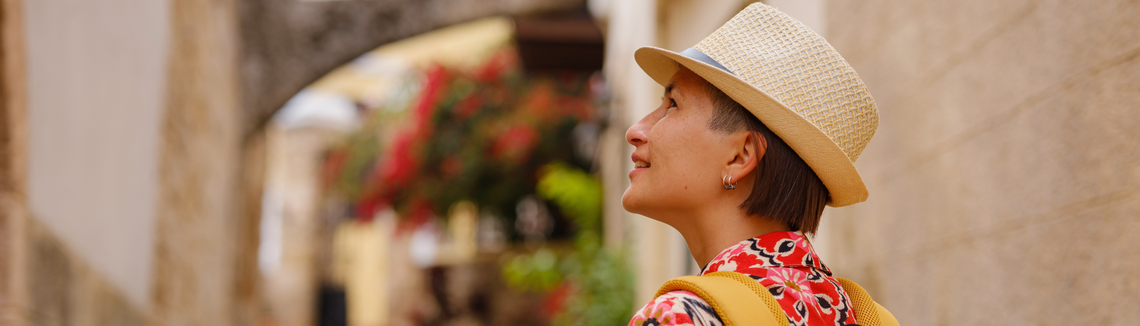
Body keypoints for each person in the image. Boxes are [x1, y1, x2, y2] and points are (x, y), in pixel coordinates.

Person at [624, 3, 879, 326]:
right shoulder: (862, 315)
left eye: (672, 104)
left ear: (740, 156)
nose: (636, 131)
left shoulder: (681, 317)